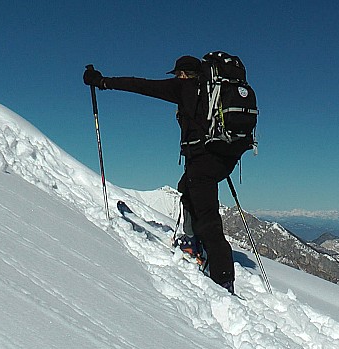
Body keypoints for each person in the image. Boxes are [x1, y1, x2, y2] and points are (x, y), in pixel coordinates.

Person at [83, 56, 249, 294]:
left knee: (209, 218)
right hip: (224, 157)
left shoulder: (185, 88)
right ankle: (193, 242)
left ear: (182, 74)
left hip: (203, 161)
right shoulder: (213, 92)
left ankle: (223, 278)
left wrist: (102, 82)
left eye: (177, 75)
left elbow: (140, 85)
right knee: (187, 189)